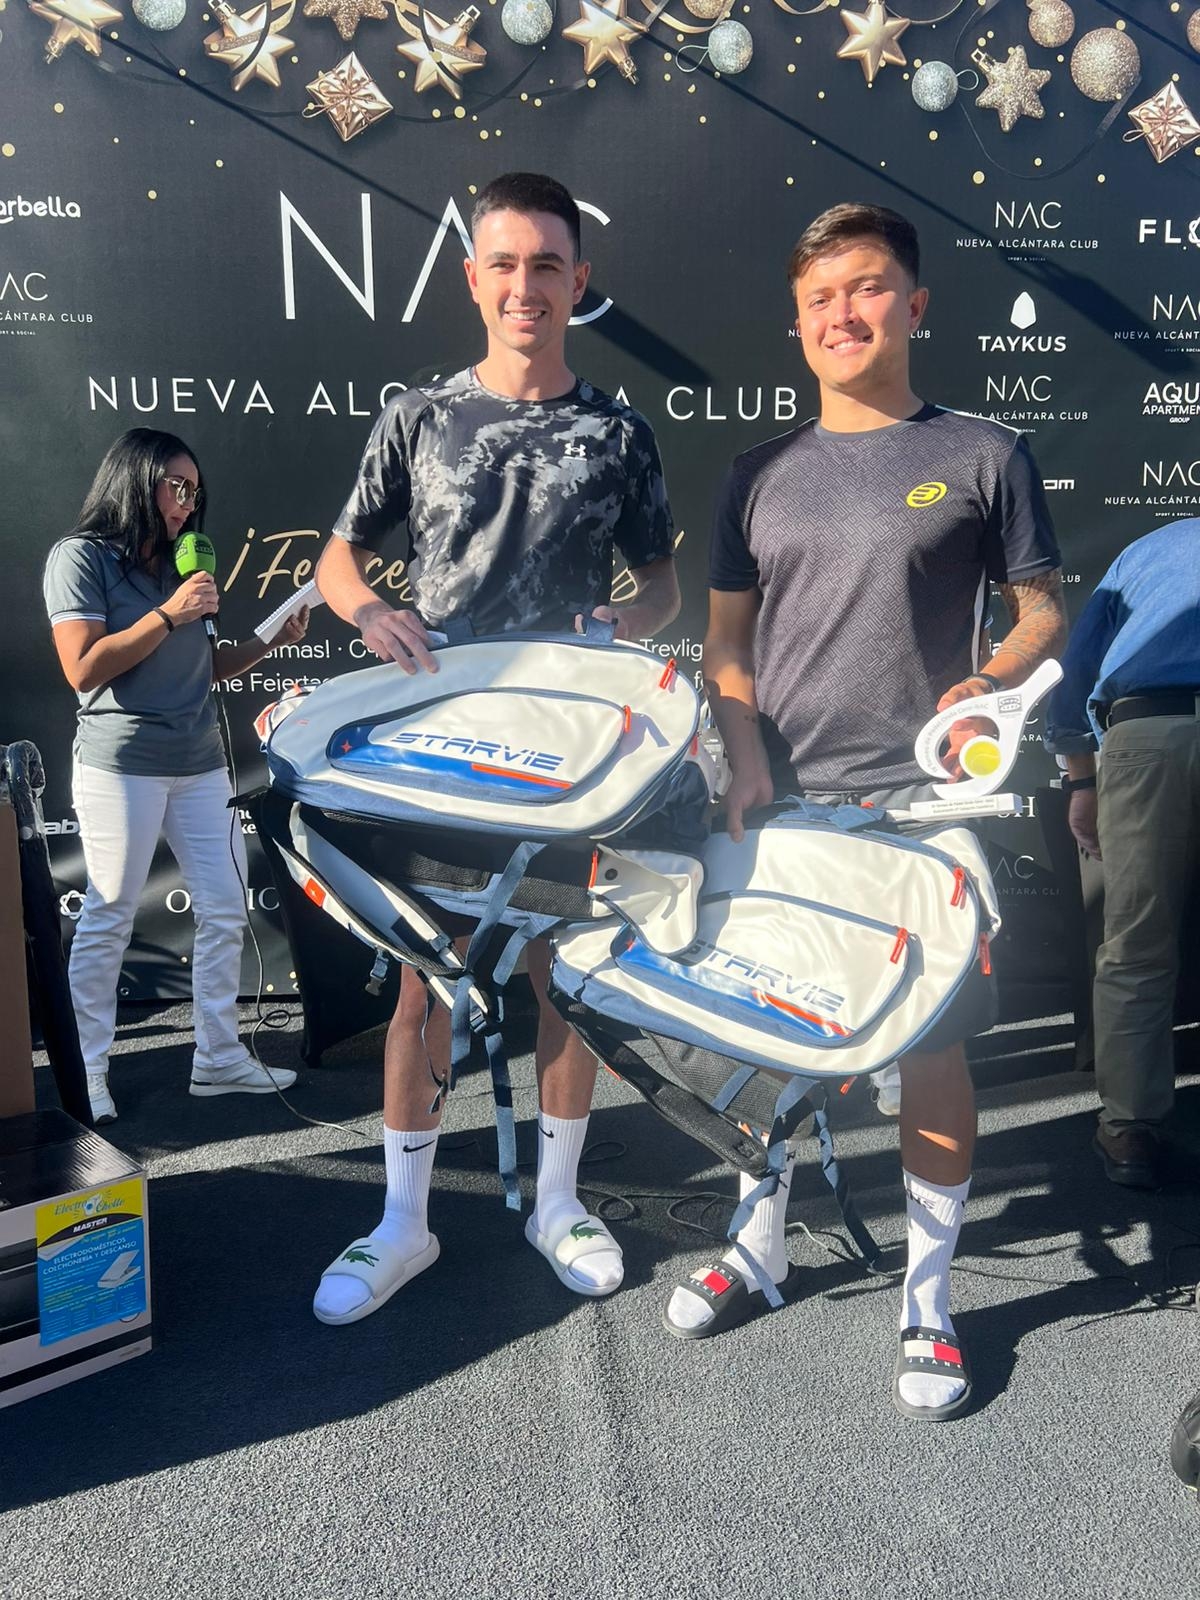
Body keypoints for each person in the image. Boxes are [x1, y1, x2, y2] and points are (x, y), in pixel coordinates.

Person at [668, 203, 1066, 1422]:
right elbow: (726, 646)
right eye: (821, 298)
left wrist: (992, 681)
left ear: (916, 304)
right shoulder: (756, 475)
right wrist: (742, 757)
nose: (845, 313)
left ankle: (927, 1298)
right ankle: (759, 1247)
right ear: (798, 325)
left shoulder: (987, 454)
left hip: (924, 808)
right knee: (765, 1040)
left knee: (932, 1048)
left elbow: (1044, 613)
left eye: (869, 287)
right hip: (782, 804)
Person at [310, 172, 680, 1326]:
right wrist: (368, 611)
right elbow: (337, 559)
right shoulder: (418, 418)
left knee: (564, 972)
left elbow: (664, 583)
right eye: (506, 265)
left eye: (548, 265)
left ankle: (557, 1202)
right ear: (474, 280)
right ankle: (403, 1222)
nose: (527, 286)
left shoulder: (618, 431)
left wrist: (631, 618)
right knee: (427, 979)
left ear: (579, 280)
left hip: (568, 755)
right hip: (441, 752)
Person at [43, 428, 306, 1125]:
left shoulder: (183, 565)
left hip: (200, 764)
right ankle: (87, 1072)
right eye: (177, 487)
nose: (189, 503)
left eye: (196, 490)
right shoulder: (81, 557)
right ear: (136, 481)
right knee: (110, 914)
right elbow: (82, 668)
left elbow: (204, 667)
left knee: (224, 907)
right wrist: (168, 613)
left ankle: (218, 1056)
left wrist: (269, 641)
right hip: (122, 763)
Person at [1043, 517, 1200, 1190]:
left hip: (1146, 730)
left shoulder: (1147, 550)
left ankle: (1132, 1128)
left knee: (1136, 942)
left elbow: (1075, 669)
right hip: (1144, 725)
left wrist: (1081, 781)